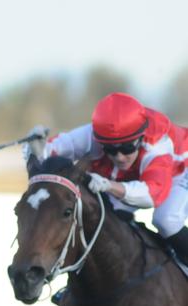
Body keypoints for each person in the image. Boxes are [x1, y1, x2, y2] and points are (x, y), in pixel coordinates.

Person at [27, 92, 188, 260]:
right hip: (139, 175)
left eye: (126, 148)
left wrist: (109, 185)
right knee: (106, 215)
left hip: (180, 170)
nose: (119, 157)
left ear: (140, 139)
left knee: (166, 220)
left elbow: (152, 194)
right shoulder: (91, 135)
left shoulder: (157, 143)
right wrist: (37, 148)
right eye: (110, 150)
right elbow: (54, 149)